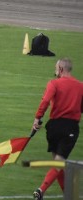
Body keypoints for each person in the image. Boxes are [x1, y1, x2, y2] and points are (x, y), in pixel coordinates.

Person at [31, 57, 83, 200]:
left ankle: (69, 195)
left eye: (55, 67)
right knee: (59, 163)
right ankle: (41, 190)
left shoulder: (53, 84)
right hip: (70, 128)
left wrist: (37, 118)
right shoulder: (80, 86)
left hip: (53, 127)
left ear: (60, 69)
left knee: (57, 163)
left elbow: (45, 101)